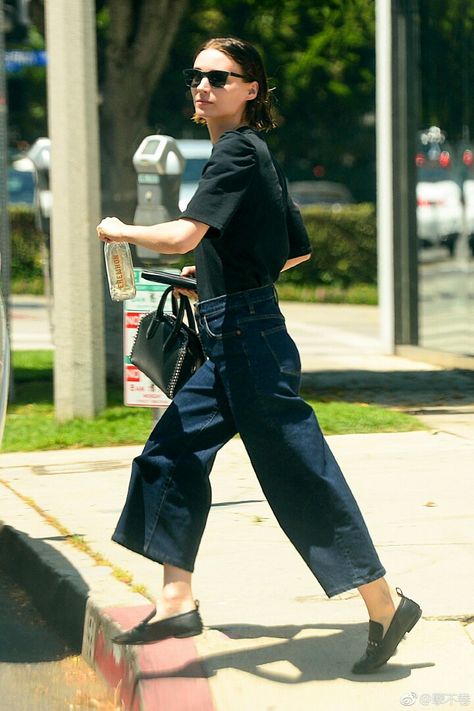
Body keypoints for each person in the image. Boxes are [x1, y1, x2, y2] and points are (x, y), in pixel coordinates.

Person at [97, 36, 421, 674]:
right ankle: (176, 597)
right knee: (171, 452)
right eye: (196, 76)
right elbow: (294, 247)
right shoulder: (247, 155)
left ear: (251, 90)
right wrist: (214, 275)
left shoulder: (237, 151)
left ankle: (386, 604)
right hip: (233, 335)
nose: (203, 86)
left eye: (219, 77)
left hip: (251, 343)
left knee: (299, 478)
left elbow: (182, 232)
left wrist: (120, 231)